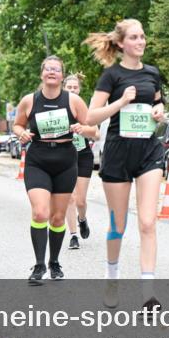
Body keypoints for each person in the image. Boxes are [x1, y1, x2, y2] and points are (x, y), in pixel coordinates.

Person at [84, 19, 166, 310]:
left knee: (147, 221)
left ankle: (148, 293)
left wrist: (159, 112)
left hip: (148, 150)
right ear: (121, 44)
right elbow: (91, 117)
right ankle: (112, 277)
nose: (141, 42)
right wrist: (120, 103)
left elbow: (158, 104)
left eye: (143, 36)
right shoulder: (111, 76)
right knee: (118, 224)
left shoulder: (153, 73)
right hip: (118, 151)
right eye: (134, 37)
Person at [12, 56, 89, 284]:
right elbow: (18, 124)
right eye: (48, 69)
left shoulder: (74, 101)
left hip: (65, 161)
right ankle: (39, 266)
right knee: (40, 213)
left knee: (57, 218)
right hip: (38, 160)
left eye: (56, 69)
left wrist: (81, 128)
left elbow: (92, 128)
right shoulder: (29, 100)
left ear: (62, 76)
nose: (52, 72)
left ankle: (54, 262)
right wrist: (20, 133)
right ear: (42, 74)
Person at [63, 73, 98, 250]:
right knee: (70, 198)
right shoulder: (59, 109)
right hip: (64, 157)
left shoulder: (85, 109)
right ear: (64, 89)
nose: (72, 90)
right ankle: (73, 235)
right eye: (69, 87)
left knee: (81, 201)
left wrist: (82, 129)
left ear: (79, 89)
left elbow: (96, 134)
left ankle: (82, 219)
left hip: (83, 155)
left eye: (75, 87)